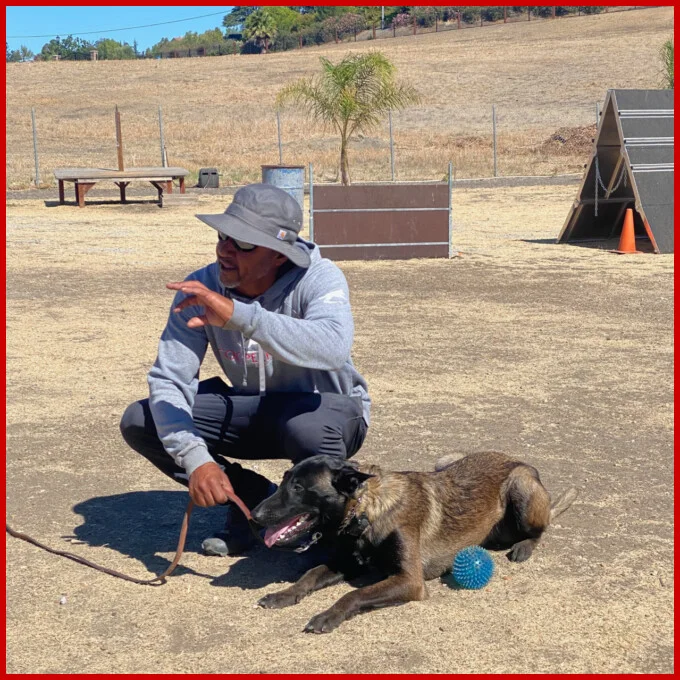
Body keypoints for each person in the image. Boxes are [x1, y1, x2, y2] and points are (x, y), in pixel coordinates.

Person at [120, 183, 370, 556]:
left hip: (322, 412)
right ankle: (253, 502)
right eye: (224, 235)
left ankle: (320, 529)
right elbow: (170, 379)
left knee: (308, 429)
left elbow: (332, 347)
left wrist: (240, 317)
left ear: (280, 255)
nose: (225, 249)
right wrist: (196, 460)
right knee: (142, 419)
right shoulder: (201, 286)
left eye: (244, 243)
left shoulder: (319, 277)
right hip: (252, 407)